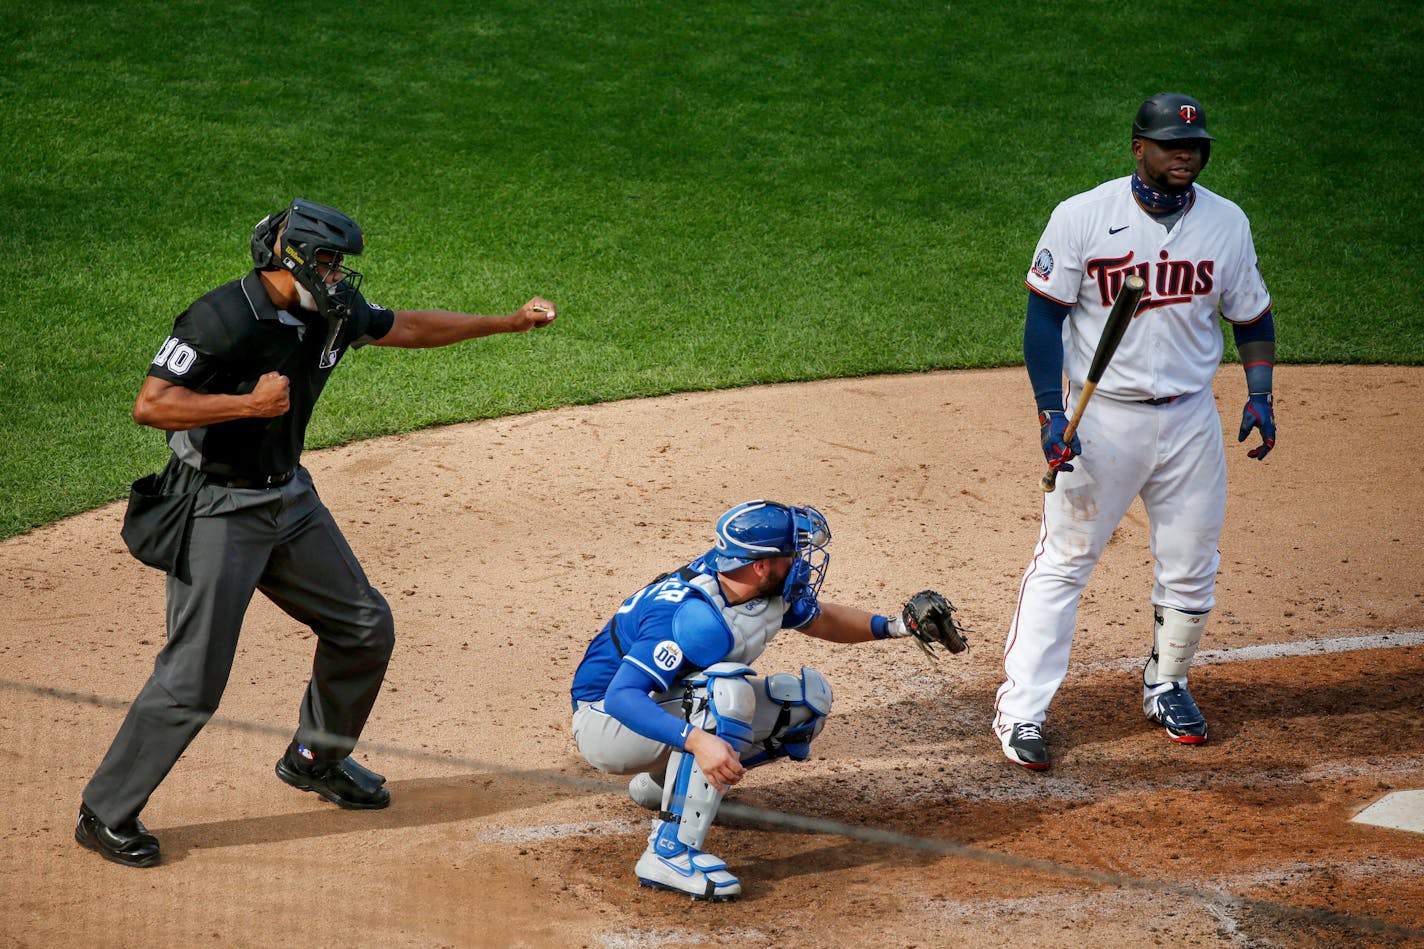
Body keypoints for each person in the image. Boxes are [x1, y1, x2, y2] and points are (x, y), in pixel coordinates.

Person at [75, 198, 557, 867]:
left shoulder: (332, 311)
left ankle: (315, 758)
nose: (338, 274)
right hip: (217, 505)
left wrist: (507, 323)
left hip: (288, 498)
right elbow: (151, 403)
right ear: (292, 255)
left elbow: (408, 326)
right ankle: (105, 811)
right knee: (194, 678)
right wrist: (248, 403)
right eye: (328, 260)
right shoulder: (222, 316)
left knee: (364, 625)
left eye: (339, 263)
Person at [993, 93, 1276, 771]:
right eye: (1171, 146)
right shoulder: (1084, 217)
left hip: (1189, 419)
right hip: (1104, 419)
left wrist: (1260, 392)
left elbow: (1252, 317)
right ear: (1137, 148)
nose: (1186, 156)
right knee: (1063, 562)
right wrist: (1048, 412)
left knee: (1192, 567)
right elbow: (1044, 319)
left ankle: (1167, 682)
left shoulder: (1226, 224)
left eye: (1196, 146)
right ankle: (1021, 710)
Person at [570, 500, 943, 901]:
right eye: (793, 554)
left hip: (663, 708)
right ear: (761, 564)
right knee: (725, 695)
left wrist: (896, 627)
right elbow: (623, 696)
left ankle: (666, 789)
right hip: (607, 723)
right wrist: (697, 741)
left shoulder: (750, 582)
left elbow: (823, 620)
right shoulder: (688, 615)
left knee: (802, 705)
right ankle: (668, 854)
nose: (802, 563)